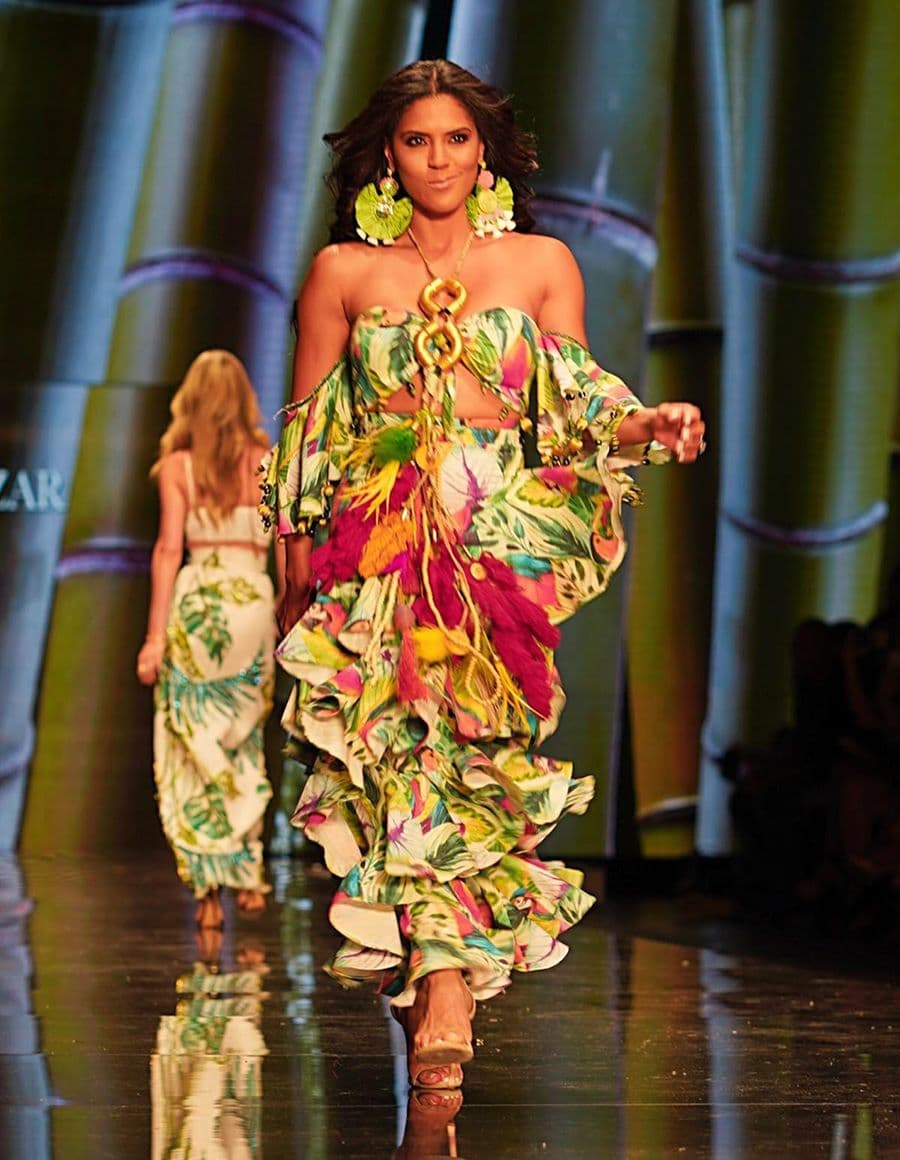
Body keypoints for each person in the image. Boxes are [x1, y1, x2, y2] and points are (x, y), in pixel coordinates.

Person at [263, 59, 706, 1091]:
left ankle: (441, 977)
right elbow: (307, 447)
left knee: (473, 768)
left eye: (457, 139)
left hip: (495, 551)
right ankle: (446, 985)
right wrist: (296, 580)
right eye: (418, 141)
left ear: (487, 149)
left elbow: (578, 402)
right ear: (388, 153)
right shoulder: (342, 274)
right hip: (377, 555)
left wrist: (651, 421)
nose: (439, 159)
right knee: (394, 768)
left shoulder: (545, 262)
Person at [137, 350, 280, 929]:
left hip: (200, 604)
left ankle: (206, 888)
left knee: (195, 744)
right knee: (241, 737)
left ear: (191, 400)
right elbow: (284, 541)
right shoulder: (266, 462)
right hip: (252, 600)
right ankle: (247, 875)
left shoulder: (178, 466)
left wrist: (153, 638)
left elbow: (170, 549)